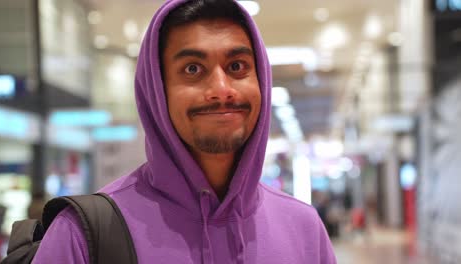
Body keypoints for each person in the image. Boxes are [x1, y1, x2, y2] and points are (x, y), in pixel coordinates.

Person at [33, 0, 337, 263]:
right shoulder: (81, 236)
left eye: (237, 66)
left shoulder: (304, 228)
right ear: (157, 91)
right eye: (193, 69)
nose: (221, 90)